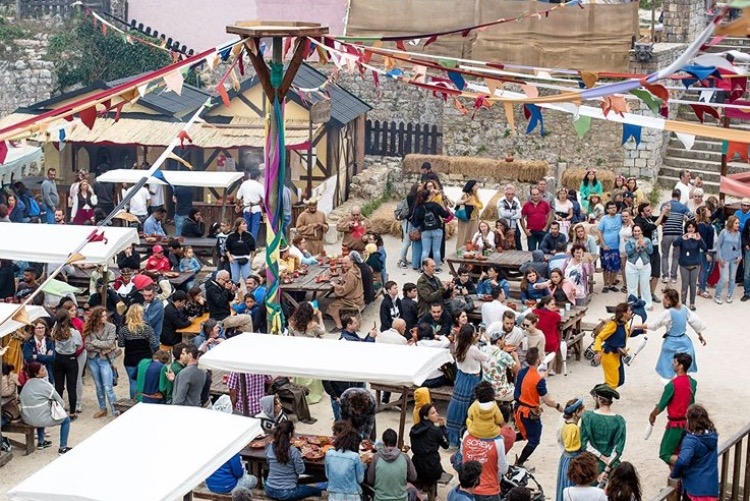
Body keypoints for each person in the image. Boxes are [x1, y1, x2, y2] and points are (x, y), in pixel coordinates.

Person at [636, 289, 706, 382]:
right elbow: (695, 322)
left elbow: (653, 326)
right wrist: (700, 335)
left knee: (669, 369)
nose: (663, 300)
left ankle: (673, 387)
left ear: (670, 300)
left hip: (671, 344)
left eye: (665, 298)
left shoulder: (668, 313)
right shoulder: (684, 308)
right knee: (683, 368)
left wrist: (636, 326)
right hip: (685, 342)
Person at [514, 347, 564, 467]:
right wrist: (558, 406)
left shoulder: (522, 372)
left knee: (524, 432)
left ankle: (506, 440)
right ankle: (519, 462)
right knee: (534, 439)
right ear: (537, 361)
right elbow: (547, 401)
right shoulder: (538, 379)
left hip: (518, 409)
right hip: (529, 413)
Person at [649, 352, 697, 466]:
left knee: (665, 453)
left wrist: (652, 415)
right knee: (678, 451)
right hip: (687, 424)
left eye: (675, 362)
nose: (673, 364)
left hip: (675, 425)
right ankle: (677, 478)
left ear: (680, 366)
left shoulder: (672, 385)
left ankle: (689, 466)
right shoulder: (693, 383)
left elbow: (661, 406)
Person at [446, 325, 490, 447]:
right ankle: (466, 436)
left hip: (461, 377)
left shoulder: (458, 344)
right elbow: (486, 357)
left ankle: (453, 438)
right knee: (470, 408)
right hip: (472, 380)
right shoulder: (473, 349)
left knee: (458, 406)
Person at [20, 361, 73, 454]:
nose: (45, 370)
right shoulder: (46, 385)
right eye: (42, 369)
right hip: (39, 418)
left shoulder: (26, 384)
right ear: (36, 374)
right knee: (66, 420)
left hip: (27, 418)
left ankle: (41, 442)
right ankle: (63, 448)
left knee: (41, 410)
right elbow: (61, 402)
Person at [670, 404, 719, 500]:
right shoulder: (712, 435)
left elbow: (683, 460)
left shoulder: (692, 440)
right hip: (711, 488)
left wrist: (675, 474)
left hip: (695, 490)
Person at [265, 421, 323, 501]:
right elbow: (300, 470)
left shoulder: (270, 447)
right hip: (287, 492)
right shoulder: (293, 451)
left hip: (269, 489)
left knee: (303, 486)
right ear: (290, 434)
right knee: (316, 490)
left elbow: (268, 462)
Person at [580, 384, 627, 473]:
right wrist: (609, 461)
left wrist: (601, 457)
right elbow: (618, 448)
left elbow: (585, 444)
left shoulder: (587, 417)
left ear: (598, 399)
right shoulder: (619, 420)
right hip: (612, 466)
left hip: (591, 465)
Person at [84, 306, 119, 418]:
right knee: (99, 386)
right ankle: (103, 408)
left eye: (105, 315)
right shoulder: (90, 328)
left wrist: (95, 342)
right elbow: (87, 345)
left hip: (106, 360)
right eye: (102, 316)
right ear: (96, 318)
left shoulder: (111, 327)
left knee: (108, 387)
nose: (105, 317)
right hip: (93, 359)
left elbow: (110, 343)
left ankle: (115, 411)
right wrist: (101, 347)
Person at [118, 304, 159, 399]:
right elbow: (154, 344)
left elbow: (121, 344)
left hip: (130, 359)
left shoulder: (124, 329)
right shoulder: (147, 329)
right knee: (144, 382)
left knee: (133, 382)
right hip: (145, 359)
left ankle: (133, 403)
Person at [592, 302, 636, 389]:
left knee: (620, 381)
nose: (631, 312)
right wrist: (597, 352)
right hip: (609, 356)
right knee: (612, 383)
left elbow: (626, 334)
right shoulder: (613, 325)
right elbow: (599, 337)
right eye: (629, 310)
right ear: (624, 313)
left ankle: (598, 392)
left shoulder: (624, 324)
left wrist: (641, 331)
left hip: (618, 356)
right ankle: (602, 400)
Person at [366, 428, 418, 501]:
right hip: (401, 499)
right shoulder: (405, 457)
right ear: (396, 442)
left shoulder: (376, 457)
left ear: (383, 443)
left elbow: (370, 480)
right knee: (412, 490)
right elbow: (413, 477)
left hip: (380, 499)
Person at [51, 309, 82, 421]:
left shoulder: (55, 330)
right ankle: (72, 413)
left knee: (58, 386)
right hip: (71, 359)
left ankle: (59, 410)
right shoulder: (74, 332)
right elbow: (79, 345)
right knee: (71, 387)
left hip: (58, 358)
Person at [481, 315, 520, 404]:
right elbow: (517, 370)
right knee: (518, 390)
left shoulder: (483, 349)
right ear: (499, 341)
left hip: (485, 389)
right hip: (499, 392)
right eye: (503, 340)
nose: (505, 341)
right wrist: (516, 357)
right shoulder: (503, 355)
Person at [410, 403, 450, 489]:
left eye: (436, 412)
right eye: (433, 413)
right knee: (436, 467)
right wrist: (443, 428)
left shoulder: (414, 429)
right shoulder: (436, 430)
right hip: (431, 468)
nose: (437, 414)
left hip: (416, 466)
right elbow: (446, 445)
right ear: (426, 417)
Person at [661, 189, 694, 284]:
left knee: (665, 255)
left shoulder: (665, 205)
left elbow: (661, 217)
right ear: (679, 197)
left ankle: (665, 276)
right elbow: (692, 218)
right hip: (678, 234)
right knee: (676, 256)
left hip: (666, 233)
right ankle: (674, 277)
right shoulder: (683, 207)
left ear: (672, 195)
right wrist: (685, 219)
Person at [673, 220, 707, 311]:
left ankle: (692, 303)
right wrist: (682, 238)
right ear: (686, 228)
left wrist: (699, 240)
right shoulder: (683, 237)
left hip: (695, 264)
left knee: (693, 285)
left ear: (695, 228)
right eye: (689, 227)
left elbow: (704, 248)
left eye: (692, 227)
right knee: (684, 284)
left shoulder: (697, 237)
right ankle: (683, 303)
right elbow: (675, 244)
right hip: (684, 264)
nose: (691, 229)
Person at [413, 189, 451, 270]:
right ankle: (436, 268)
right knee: (436, 250)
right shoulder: (435, 205)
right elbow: (445, 215)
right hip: (437, 230)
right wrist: (446, 209)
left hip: (425, 231)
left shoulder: (419, 207)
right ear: (429, 196)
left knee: (425, 251)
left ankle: (423, 268)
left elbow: (416, 221)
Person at [556, 398, 586, 501]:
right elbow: (576, 447)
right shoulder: (574, 428)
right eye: (582, 409)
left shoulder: (566, 424)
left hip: (565, 459)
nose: (584, 411)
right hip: (572, 460)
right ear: (576, 413)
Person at [325, 429, 366, 501]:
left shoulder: (329, 454)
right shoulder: (355, 457)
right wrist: (363, 465)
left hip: (333, 495)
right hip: (352, 495)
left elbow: (328, 476)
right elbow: (360, 479)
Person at [327, 256, 365, 331]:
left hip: (353, 299)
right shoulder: (356, 269)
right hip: (359, 296)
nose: (344, 265)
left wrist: (335, 285)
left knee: (332, 306)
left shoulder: (350, 274)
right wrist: (343, 279)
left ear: (351, 262)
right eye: (342, 263)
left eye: (346, 263)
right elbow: (350, 284)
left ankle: (339, 326)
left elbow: (345, 290)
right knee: (336, 300)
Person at [625, 225, 654, 310]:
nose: (637, 233)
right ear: (633, 232)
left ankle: (647, 304)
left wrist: (644, 245)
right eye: (635, 231)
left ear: (641, 231)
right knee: (632, 287)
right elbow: (629, 252)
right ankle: (632, 304)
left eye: (638, 231)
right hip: (631, 266)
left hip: (645, 266)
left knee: (645, 286)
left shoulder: (647, 240)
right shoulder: (629, 241)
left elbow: (650, 251)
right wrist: (636, 247)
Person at [715, 214, 742, 304]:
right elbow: (718, 246)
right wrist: (720, 258)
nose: (738, 225)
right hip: (724, 259)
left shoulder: (738, 234)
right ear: (731, 223)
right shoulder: (724, 232)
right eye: (736, 223)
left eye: (738, 223)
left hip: (734, 259)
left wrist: (740, 256)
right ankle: (717, 295)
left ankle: (730, 295)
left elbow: (739, 247)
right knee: (724, 278)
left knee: (732, 278)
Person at [597, 201, 623, 293]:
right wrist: (603, 245)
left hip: (617, 247)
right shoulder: (604, 218)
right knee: (606, 267)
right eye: (611, 208)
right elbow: (599, 231)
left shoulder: (620, 217)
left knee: (615, 267)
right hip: (606, 247)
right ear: (607, 209)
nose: (613, 209)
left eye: (614, 207)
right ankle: (605, 285)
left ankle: (611, 284)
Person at [533, 296, 563, 375]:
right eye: (552, 304)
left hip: (537, 340)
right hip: (549, 343)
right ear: (545, 305)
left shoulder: (535, 312)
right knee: (556, 342)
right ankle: (549, 369)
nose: (554, 306)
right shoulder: (555, 315)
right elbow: (559, 318)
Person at [521, 187, 552, 251]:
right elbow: (521, 218)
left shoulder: (545, 204)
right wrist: (525, 230)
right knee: (531, 250)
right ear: (531, 195)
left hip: (542, 231)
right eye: (534, 194)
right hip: (531, 231)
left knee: (542, 250)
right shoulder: (527, 205)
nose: (536, 196)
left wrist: (546, 227)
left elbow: (550, 215)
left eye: (537, 194)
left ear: (540, 194)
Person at [237, 169, 265, 241]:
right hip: (256, 209)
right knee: (255, 229)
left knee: (245, 228)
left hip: (246, 208)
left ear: (250, 176)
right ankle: (252, 247)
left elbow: (238, 197)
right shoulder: (259, 185)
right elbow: (264, 198)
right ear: (258, 177)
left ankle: (245, 245)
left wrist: (237, 205)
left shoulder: (244, 184)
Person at [226, 217, 256, 283]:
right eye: (243, 224)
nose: (246, 225)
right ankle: (234, 293)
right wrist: (229, 257)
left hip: (246, 259)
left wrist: (252, 258)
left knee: (247, 278)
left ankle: (249, 292)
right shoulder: (231, 236)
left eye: (246, 224)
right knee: (235, 279)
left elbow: (253, 249)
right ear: (238, 226)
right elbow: (227, 248)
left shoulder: (249, 236)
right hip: (234, 260)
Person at [456, 180, 483, 252]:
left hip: (474, 218)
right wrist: (465, 202)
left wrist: (474, 204)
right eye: (476, 185)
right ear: (471, 186)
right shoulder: (465, 194)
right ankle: (460, 251)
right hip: (465, 218)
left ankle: (470, 251)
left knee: (472, 236)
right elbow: (458, 202)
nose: (478, 186)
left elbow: (480, 205)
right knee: (463, 236)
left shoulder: (476, 195)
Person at [696, 206, 716, 300]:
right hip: (704, 251)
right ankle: (702, 289)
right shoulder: (702, 225)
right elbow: (702, 241)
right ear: (703, 213)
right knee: (704, 269)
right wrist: (707, 253)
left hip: (709, 249)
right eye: (707, 210)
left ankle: (701, 288)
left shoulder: (707, 223)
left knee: (706, 269)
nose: (709, 211)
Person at [498, 184, 522, 250]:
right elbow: (503, 214)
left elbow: (519, 215)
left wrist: (509, 215)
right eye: (508, 194)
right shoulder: (501, 202)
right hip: (505, 226)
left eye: (512, 194)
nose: (510, 196)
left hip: (514, 225)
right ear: (505, 194)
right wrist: (513, 214)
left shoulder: (516, 202)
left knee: (517, 242)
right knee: (504, 243)